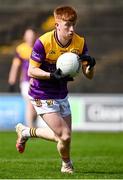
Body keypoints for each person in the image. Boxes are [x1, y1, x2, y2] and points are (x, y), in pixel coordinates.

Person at [15, 6, 96, 174]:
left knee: (66, 138)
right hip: (41, 93)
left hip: (61, 93)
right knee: (64, 136)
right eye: (67, 25)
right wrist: (52, 76)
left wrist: (91, 66)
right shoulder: (44, 42)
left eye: (73, 24)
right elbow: (31, 71)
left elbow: (89, 75)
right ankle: (66, 163)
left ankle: (27, 133)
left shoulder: (79, 42)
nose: (72, 29)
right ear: (57, 25)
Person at [8, 28, 37, 128]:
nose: (30, 38)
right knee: (29, 104)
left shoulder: (39, 48)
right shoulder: (21, 49)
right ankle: (30, 128)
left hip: (38, 82)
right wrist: (12, 81)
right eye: (28, 36)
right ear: (24, 37)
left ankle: (32, 124)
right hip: (26, 82)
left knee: (35, 106)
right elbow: (15, 66)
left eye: (32, 35)